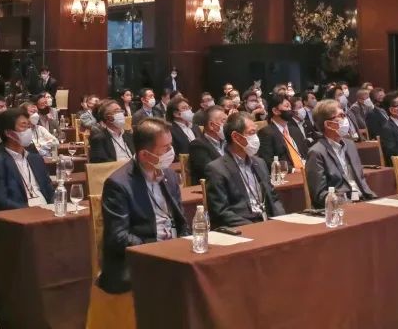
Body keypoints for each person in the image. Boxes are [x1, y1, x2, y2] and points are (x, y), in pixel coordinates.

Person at [92, 118, 186, 325]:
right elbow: (118, 237)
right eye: (166, 148)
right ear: (144, 154)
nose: (172, 152)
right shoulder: (118, 184)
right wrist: (157, 248)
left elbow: (180, 220)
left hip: (175, 252)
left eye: (171, 145)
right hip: (140, 259)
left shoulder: (169, 175)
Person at [204, 112, 285, 226]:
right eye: (252, 133)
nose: (256, 138)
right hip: (242, 227)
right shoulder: (216, 169)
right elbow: (221, 212)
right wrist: (253, 228)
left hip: (267, 222)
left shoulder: (260, 163)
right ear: (236, 137)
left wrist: (282, 220)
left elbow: (274, 199)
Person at [304, 99, 376, 207]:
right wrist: (344, 203)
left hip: (363, 199)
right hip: (341, 206)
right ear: (328, 124)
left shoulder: (350, 145)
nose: (346, 119)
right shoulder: (317, 152)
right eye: (341, 116)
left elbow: (361, 180)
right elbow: (319, 194)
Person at [0, 107, 55, 212]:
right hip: (20, 214)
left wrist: (56, 206)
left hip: (47, 211)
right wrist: (29, 211)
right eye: (23, 126)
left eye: (29, 126)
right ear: (8, 133)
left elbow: (50, 191)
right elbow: (0, 200)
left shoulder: (36, 159)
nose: (28, 130)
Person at [257, 93, 309, 170]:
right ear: (275, 111)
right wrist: (293, 170)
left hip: (305, 169)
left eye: (290, 107)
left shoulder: (295, 130)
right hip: (288, 174)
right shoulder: (266, 133)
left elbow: (306, 154)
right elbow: (269, 161)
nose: (290, 110)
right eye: (287, 106)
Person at [188, 105, 226, 185]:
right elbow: (209, 171)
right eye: (223, 121)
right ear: (211, 125)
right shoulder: (197, 145)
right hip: (211, 188)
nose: (227, 125)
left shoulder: (227, 142)